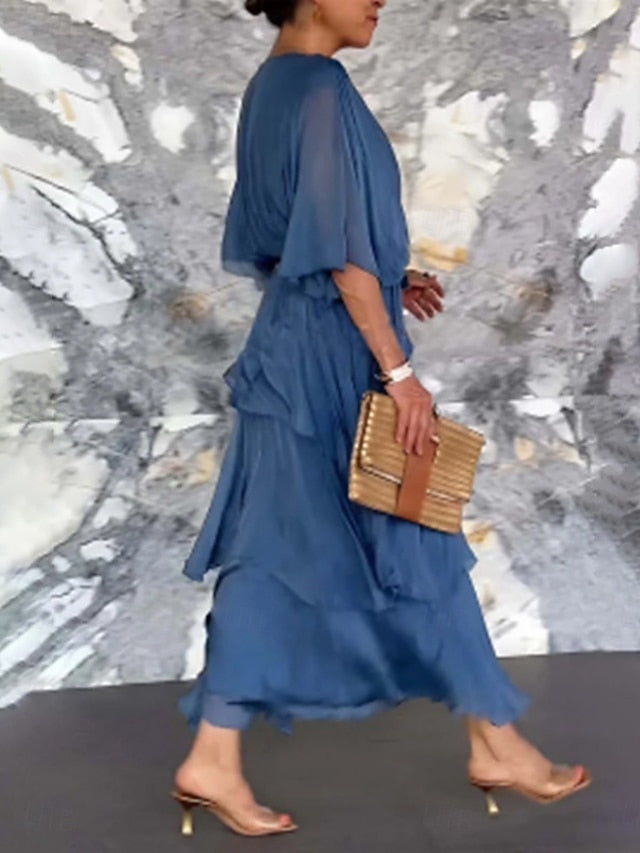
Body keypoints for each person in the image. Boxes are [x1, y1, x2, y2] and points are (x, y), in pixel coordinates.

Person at [171, 0, 591, 837]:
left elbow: (288, 244)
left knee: (275, 550)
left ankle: (214, 756)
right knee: (413, 537)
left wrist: (393, 281)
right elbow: (336, 250)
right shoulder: (320, 87)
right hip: (335, 360)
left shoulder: (271, 86)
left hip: (289, 352)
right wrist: (399, 371)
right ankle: (496, 742)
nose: (379, 0)